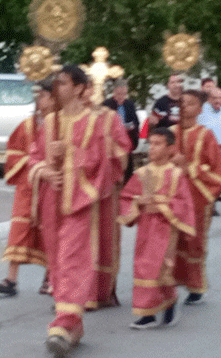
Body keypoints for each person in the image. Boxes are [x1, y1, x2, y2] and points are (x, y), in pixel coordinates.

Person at [29, 65, 110, 357]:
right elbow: (34, 157)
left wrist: (70, 154)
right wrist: (45, 172)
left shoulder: (94, 123)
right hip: (52, 201)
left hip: (78, 202)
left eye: (62, 83)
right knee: (57, 262)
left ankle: (62, 324)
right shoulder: (48, 122)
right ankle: (75, 326)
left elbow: (101, 163)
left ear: (78, 88)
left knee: (72, 259)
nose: (57, 88)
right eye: (56, 83)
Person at [118, 127, 195, 329]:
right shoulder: (142, 173)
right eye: (150, 143)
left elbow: (183, 203)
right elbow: (126, 198)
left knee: (162, 267)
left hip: (166, 229)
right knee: (143, 267)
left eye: (158, 144)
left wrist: (160, 205)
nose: (152, 148)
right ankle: (147, 313)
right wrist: (137, 203)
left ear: (170, 148)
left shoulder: (177, 175)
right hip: (146, 228)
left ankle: (169, 301)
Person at [0, 79, 56, 297]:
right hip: (27, 185)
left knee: (49, 231)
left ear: (52, 98)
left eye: (43, 95)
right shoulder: (28, 125)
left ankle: (49, 278)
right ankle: (11, 279)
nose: (39, 100)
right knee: (19, 230)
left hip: (49, 186)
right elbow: (14, 152)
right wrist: (30, 164)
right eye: (37, 96)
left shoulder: (60, 124)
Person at [170, 90, 221, 306]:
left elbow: (216, 171)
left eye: (190, 104)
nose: (185, 107)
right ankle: (168, 283)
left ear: (200, 110)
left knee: (193, 241)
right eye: (182, 103)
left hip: (196, 197)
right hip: (172, 197)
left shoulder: (206, 136)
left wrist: (189, 168)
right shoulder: (170, 133)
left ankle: (195, 285)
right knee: (171, 241)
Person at [85, 82, 132, 311]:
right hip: (79, 191)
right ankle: (75, 292)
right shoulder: (68, 117)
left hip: (105, 190)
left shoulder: (110, 117)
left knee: (105, 239)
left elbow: (123, 148)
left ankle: (102, 291)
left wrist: (107, 146)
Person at [104, 79, 140, 180]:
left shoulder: (129, 104)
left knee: (128, 170)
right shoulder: (107, 104)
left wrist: (132, 127)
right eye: (119, 94)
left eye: (124, 94)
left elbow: (136, 121)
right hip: (112, 142)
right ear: (114, 91)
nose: (121, 97)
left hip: (127, 141)